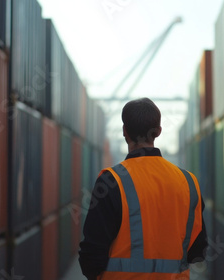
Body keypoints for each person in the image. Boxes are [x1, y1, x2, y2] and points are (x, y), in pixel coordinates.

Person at [79, 98, 207, 280]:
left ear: (125, 131)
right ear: (159, 132)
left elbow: (91, 255)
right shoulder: (189, 182)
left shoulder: (111, 181)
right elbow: (197, 251)